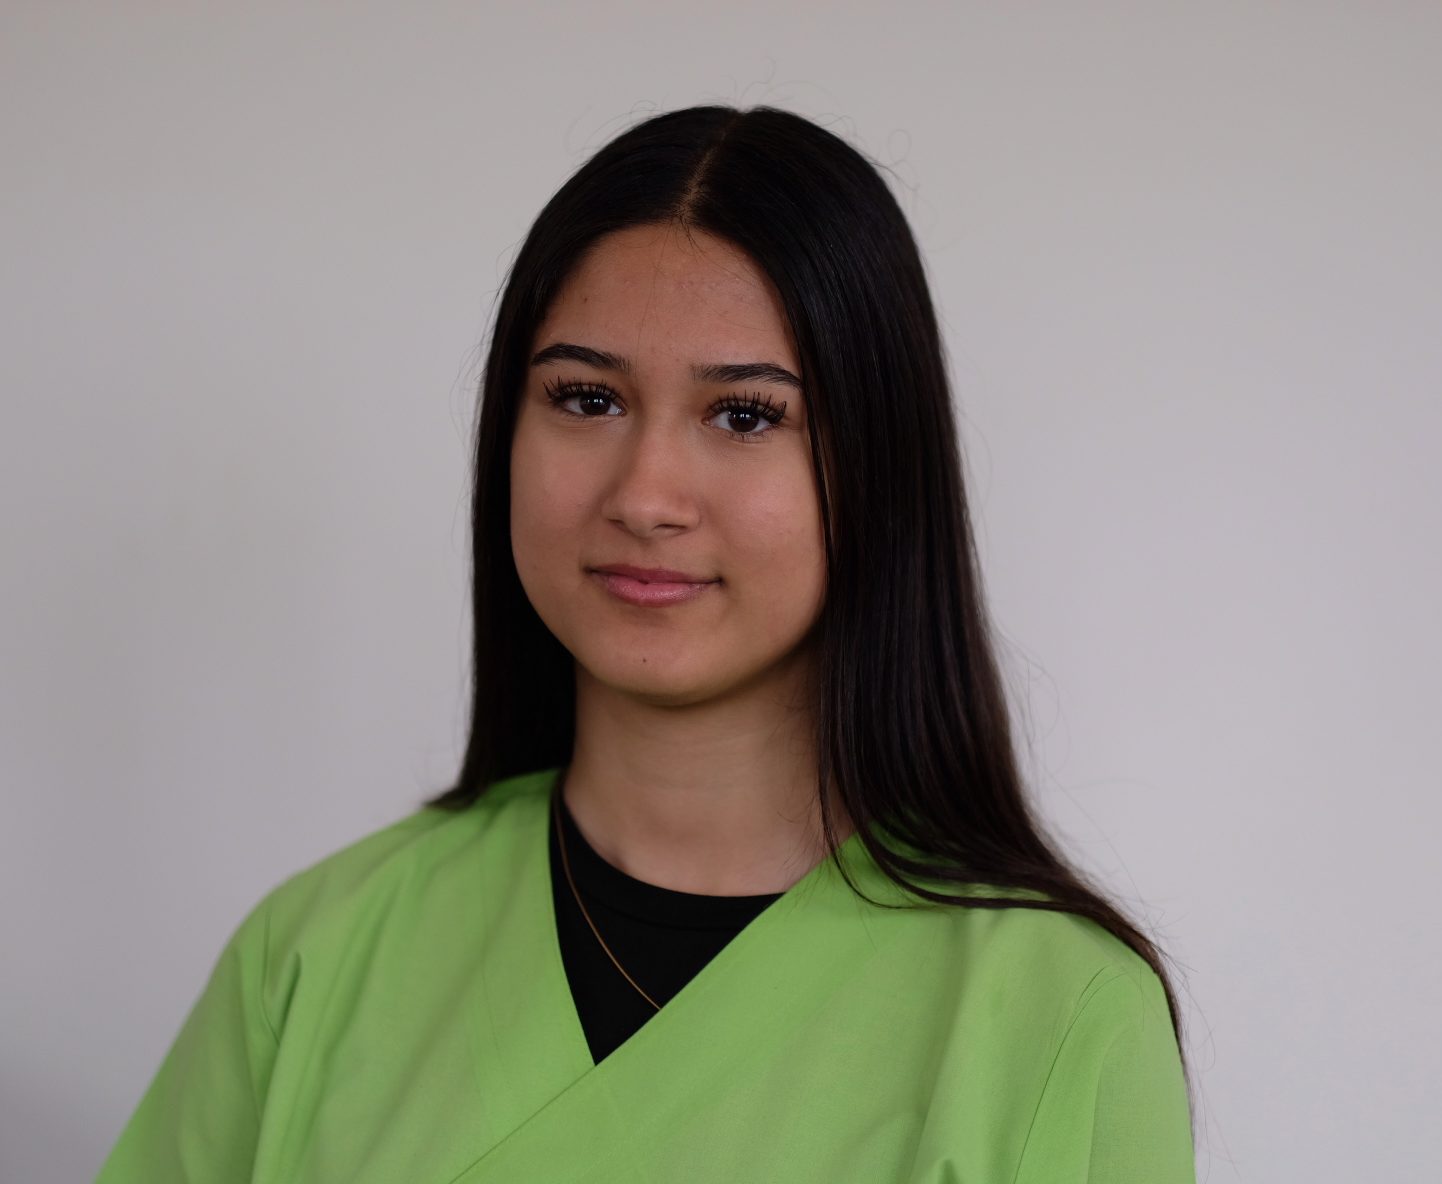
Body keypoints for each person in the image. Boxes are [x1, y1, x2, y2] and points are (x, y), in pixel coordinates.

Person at [95, 104, 1198, 1183]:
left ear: (879, 463)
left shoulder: (1057, 1016)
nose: (644, 495)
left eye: (745, 414)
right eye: (586, 398)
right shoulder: (315, 955)